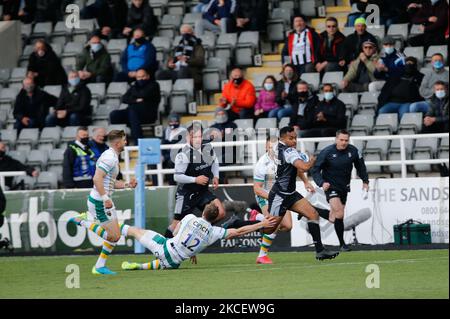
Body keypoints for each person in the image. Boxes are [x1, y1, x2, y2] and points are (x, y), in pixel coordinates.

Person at [119, 202, 276, 270]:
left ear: (203, 212)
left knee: (134, 230)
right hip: (174, 262)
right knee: (166, 261)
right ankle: (139, 266)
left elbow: (175, 233)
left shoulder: (189, 218)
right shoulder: (214, 232)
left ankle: (108, 228)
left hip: (165, 248)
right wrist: (260, 224)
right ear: (215, 219)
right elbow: (239, 231)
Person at [265, 126, 339, 260]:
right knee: (268, 228)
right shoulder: (288, 152)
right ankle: (241, 224)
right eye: (291, 138)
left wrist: (305, 182)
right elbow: (303, 167)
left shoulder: (280, 149)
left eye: (295, 138)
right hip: (280, 196)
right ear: (282, 138)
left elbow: (296, 168)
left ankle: (320, 251)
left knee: (313, 214)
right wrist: (311, 162)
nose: (294, 141)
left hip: (290, 194)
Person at [70, 130, 137, 275]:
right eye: (124, 140)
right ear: (117, 143)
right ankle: (84, 221)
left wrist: (127, 185)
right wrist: (105, 198)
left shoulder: (112, 156)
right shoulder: (110, 158)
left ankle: (100, 266)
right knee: (113, 236)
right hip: (100, 201)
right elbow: (96, 178)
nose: (126, 142)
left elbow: (110, 182)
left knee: (116, 236)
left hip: (103, 199)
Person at [164, 124, 226, 239]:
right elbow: (177, 177)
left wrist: (216, 176)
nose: (198, 139)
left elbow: (215, 161)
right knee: (176, 225)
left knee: (220, 212)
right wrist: (195, 179)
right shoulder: (183, 154)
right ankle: (164, 247)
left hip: (202, 192)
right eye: (195, 137)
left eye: (200, 136)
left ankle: (196, 235)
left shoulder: (207, 147)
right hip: (186, 194)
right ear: (188, 137)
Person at [311, 130, 369, 251]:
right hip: (331, 187)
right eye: (341, 140)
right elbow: (315, 170)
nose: (343, 143)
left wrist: (365, 181)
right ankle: (342, 244)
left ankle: (311, 209)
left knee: (334, 218)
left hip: (344, 187)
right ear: (336, 139)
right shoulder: (327, 152)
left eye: (346, 140)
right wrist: (322, 183)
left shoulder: (353, 151)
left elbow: (361, 166)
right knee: (340, 213)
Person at [253, 136, 293, 264]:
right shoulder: (261, 164)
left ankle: (258, 218)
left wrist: (305, 182)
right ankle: (262, 255)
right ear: (266, 147)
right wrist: (274, 197)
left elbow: (296, 171)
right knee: (274, 222)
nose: (273, 150)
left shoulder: (284, 159)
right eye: (270, 147)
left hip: (280, 196)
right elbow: (257, 189)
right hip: (265, 195)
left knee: (287, 226)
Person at [110, 69, 161, 143]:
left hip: (148, 114)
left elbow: (144, 94)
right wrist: (135, 100)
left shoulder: (154, 85)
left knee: (132, 110)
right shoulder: (134, 86)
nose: (141, 79)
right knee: (114, 114)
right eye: (138, 77)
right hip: (133, 114)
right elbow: (124, 98)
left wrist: (133, 95)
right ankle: (120, 141)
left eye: (143, 76)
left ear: (148, 76)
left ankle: (138, 141)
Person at [159, 25, 206, 90]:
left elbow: (200, 61)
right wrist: (170, 64)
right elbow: (172, 59)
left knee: (183, 70)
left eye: (188, 32)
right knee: (160, 74)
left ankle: (182, 94)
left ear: (192, 33)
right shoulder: (179, 46)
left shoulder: (198, 45)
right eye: (183, 32)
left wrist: (187, 60)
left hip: (191, 72)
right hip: (176, 70)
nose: (185, 34)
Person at [206, 107, 238, 183]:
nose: (221, 116)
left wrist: (224, 137)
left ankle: (221, 183)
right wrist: (212, 137)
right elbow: (207, 142)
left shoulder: (232, 125)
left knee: (218, 161)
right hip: (216, 153)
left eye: (222, 114)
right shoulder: (212, 127)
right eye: (218, 114)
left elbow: (234, 139)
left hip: (231, 154)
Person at [161, 113, 187, 185]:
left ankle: (172, 185)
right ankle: (156, 185)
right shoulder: (166, 131)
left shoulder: (183, 131)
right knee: (154, 163)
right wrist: (162, 156)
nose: (173, 123)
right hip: (167, 155)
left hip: (179, 155)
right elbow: (163, 145)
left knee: (170, 162)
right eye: (171, 122)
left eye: (175, 122)